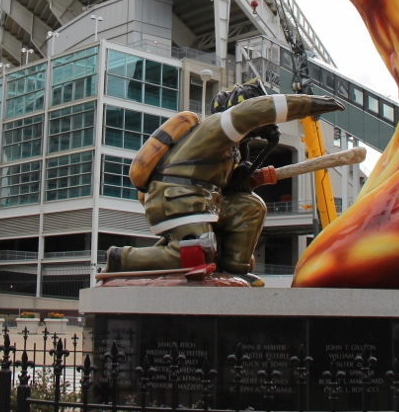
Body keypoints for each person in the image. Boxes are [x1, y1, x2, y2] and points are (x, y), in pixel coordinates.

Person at [103, 79, 344, 281]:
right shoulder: (217, 126)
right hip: (177, 196)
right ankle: (121, 258)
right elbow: (250, 113)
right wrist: (310, 104)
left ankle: (233, 270)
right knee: (199, 251)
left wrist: (254, 178)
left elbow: (229, 185)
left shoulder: (232, 149)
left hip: (206, 199)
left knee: (249, 207)